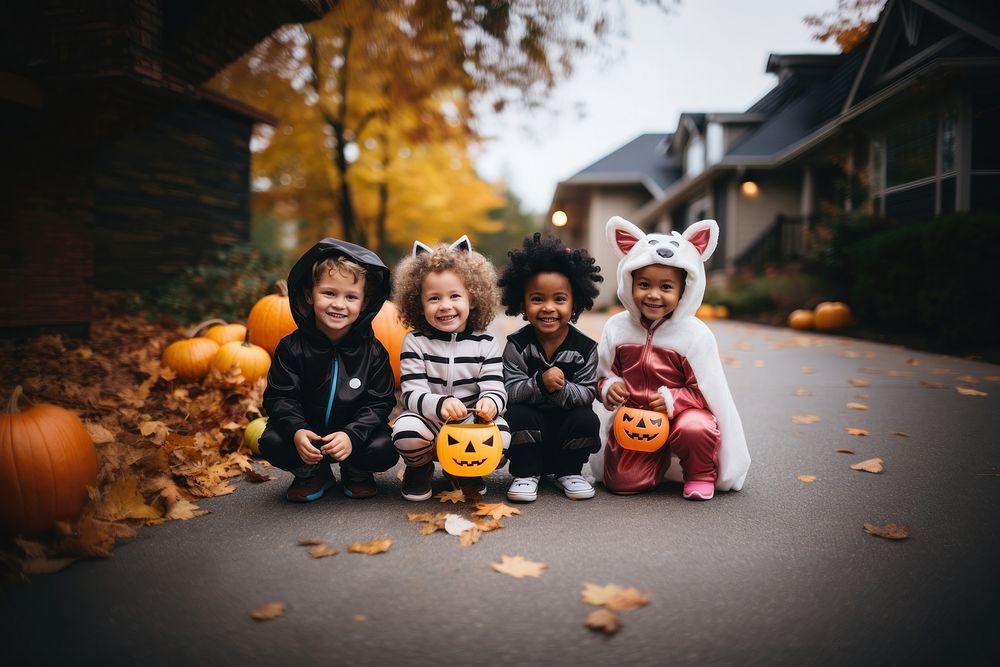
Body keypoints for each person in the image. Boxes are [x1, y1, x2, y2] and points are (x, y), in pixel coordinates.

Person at [593, 216, 750, 499]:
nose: (653, 295)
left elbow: (708, 391)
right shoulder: (617, 328)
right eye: (644, 284)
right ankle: (654, 464)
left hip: (683, 415)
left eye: (666, 287)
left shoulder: (694, 336)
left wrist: (672, 400)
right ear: (629, 283)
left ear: (683, 292)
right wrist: (608, 386)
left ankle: (700, 472)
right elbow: (601, 371)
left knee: (696, 427)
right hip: (637, 420)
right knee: (621, 483)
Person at [258, 239, 398, 502]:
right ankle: (312, 472)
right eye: (329, 293)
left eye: (351, 297)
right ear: (310, 295)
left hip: (353, 435)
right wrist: (297, 430)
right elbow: (280, 397)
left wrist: (352, 434)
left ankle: (356, 471)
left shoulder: (373, 351)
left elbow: (380, 402)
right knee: (272, 440)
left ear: (365, 303)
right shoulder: (291, 347)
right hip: (307, 434)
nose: (339, 304)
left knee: (386, 446)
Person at [391, 235, 510, 501]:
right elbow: (410, 393)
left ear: (473, 298)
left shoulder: (486, 342)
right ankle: (419, 469)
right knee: (405, 431)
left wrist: (491, 402)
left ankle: (464, 470)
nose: (445, 305)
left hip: (470, 423)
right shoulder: (415, 341)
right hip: (428, 421)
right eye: (434, 298)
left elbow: (495, 386)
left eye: (455, 296)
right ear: (418, 304)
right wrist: (439, 404)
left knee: (502, 435)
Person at [498, 233, 604, 502]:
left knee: (586, 418)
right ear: (522, 303)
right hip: (530, 431)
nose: (548, 308)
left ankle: (569, 472)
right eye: (537, 299)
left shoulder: (585, 348)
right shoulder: (517, 345)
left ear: (575, 303)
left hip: (566, 428)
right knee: (517, 414)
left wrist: (561, 389)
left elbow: (587, 393)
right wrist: (539, 383)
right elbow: (508, 391)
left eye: (559, 299)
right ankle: (525, 474)